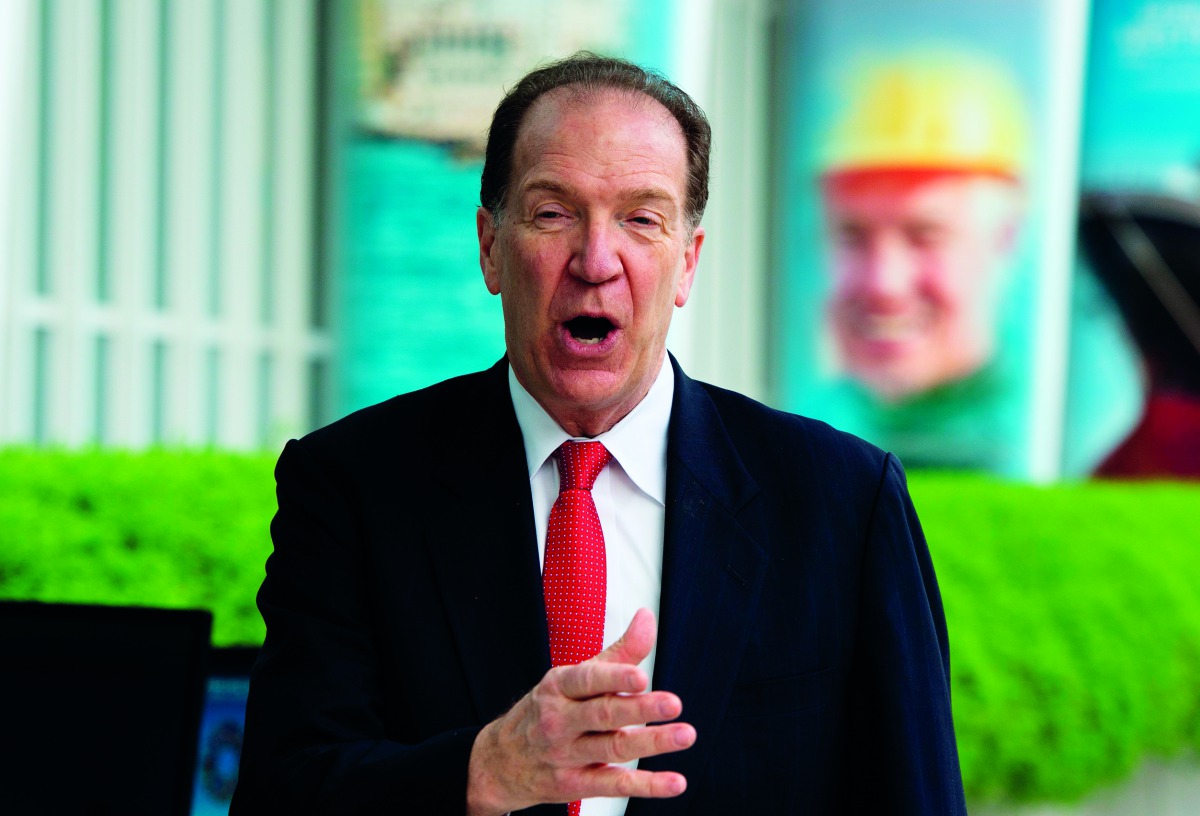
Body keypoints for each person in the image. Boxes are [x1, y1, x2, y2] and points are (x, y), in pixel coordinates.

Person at [232, 53, 966, 815]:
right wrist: (481, 772)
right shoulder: (355, 484)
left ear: (687, 263)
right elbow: (283, 791)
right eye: (553, 213)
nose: (595, 260)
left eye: (641, 219)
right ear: (490, 245)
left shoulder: (841, 501)